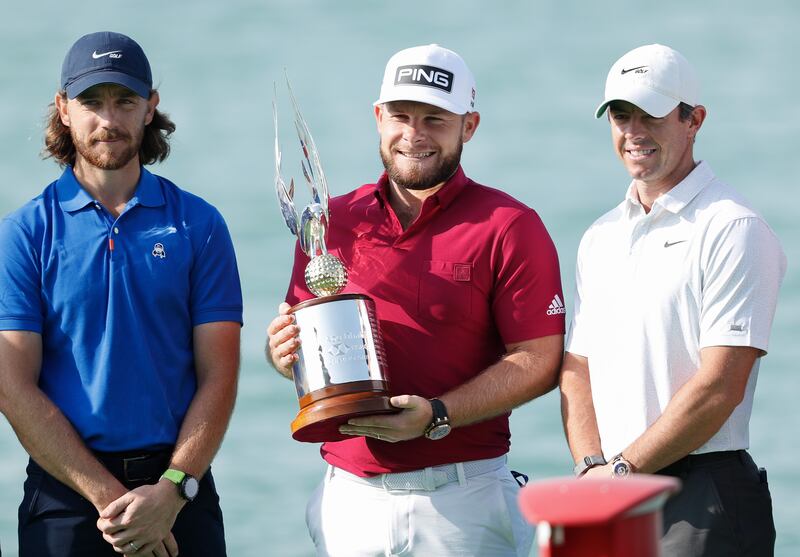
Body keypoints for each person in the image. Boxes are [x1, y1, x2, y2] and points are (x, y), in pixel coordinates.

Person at [267, 44, 564, 556]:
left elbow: (540, 360)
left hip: (463, 500)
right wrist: (284, 355)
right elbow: (306, 349)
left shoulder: (510, 225)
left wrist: (438, 414)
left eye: (435, 119)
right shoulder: (329, 221)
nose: (414, 134)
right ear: (378, 118)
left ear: (469, 125)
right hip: (349, 500)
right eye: (401, 116)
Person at [0, 31, 242, 556]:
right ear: (64, 109)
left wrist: (172, 491)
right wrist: (114, 501)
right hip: (65, 496)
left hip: (181, 487)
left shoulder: (199, 225)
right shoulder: (23, 234)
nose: (108, 120)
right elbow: (12, 386)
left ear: (150, 107)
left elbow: (219, 374)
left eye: (125, 101)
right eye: (91, 102)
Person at [560, 43, 785, 556]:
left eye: (651, 115)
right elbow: (578, 366)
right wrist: (592, 466)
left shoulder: (732, 227)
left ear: (694, 120)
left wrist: (621, 470)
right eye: (621, 115)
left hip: (703, 494)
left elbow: (719, 387)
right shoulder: (600, 235)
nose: (633, 132)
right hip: (614, 486)